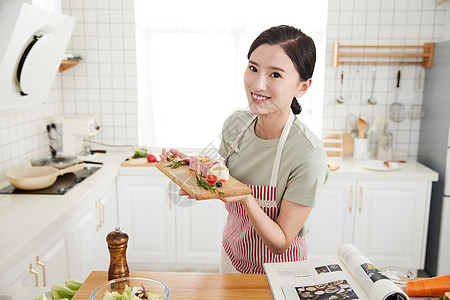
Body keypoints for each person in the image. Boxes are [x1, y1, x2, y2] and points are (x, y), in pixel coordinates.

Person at [160, 25, 328, 274]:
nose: (258, 84)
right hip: (232, 257)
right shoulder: (237, 124)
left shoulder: (308, 155)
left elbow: (281, 242)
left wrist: (247, 197)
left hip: (279, 273)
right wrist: (194, 169)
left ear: (302, 88)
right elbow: (224, 181)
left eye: (275, 75)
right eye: (253, 68)